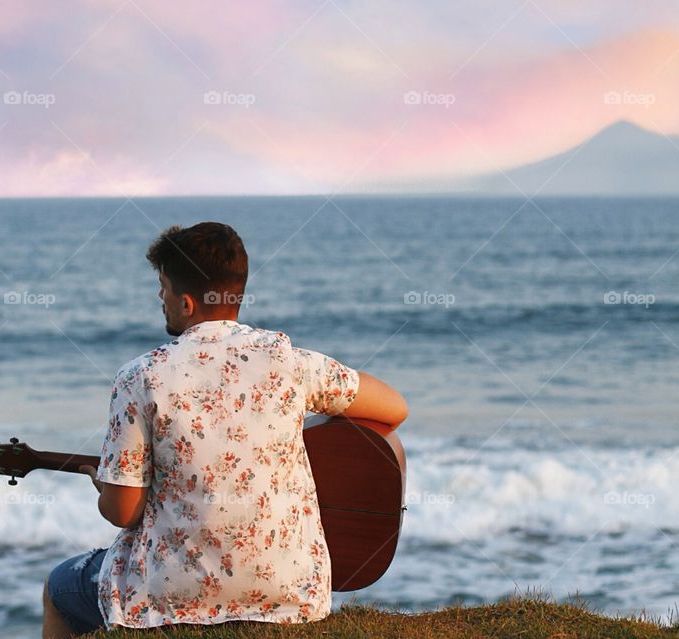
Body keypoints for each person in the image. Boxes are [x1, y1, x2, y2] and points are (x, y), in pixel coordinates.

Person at [42, 222, 407, 637]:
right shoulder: (288, 361)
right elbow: (395, 407)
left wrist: (104, 485)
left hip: (171, 595)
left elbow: (123, 512)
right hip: (287, 591)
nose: (159, 298)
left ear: (185, 303)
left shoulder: (140, 377)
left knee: (58, 588)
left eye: (161, 287)